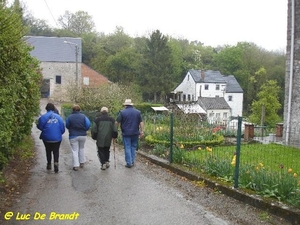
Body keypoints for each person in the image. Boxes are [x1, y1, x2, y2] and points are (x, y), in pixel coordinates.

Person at [37, 103, 65, 173]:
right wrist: (58, 133)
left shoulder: (43, 117)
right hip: (57, 138)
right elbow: (62, 128)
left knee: (48, 150)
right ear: (53, 108)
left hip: (46, 138)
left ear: (46, 108)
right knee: (56, 151)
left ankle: (49, 163)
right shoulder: (58, 117)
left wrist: (45, 131)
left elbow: (39, 126)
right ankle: (56, 162)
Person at [116, 99, 144, 168]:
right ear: (131, 104)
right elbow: (141, 122)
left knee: (127, 147)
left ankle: (129, 163)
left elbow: (117, 122)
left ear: (125, 105)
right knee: (133, 147)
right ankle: (132, 160)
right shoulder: (137, 112)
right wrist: (142, 131)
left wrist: (116, 129)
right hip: (135, 132)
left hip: (126, 133)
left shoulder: (122, 112)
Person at [65, 104, 91, 171]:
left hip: (73, 135)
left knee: (75, 150)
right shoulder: (84, 116)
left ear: (73, 110)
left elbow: (67, 125)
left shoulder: (70, 117)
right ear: (79, 110)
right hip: (83, 135)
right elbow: (88, 124)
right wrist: (85, 129)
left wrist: (71, 128)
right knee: (81, 148)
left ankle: (76, 165)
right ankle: (82, 162)